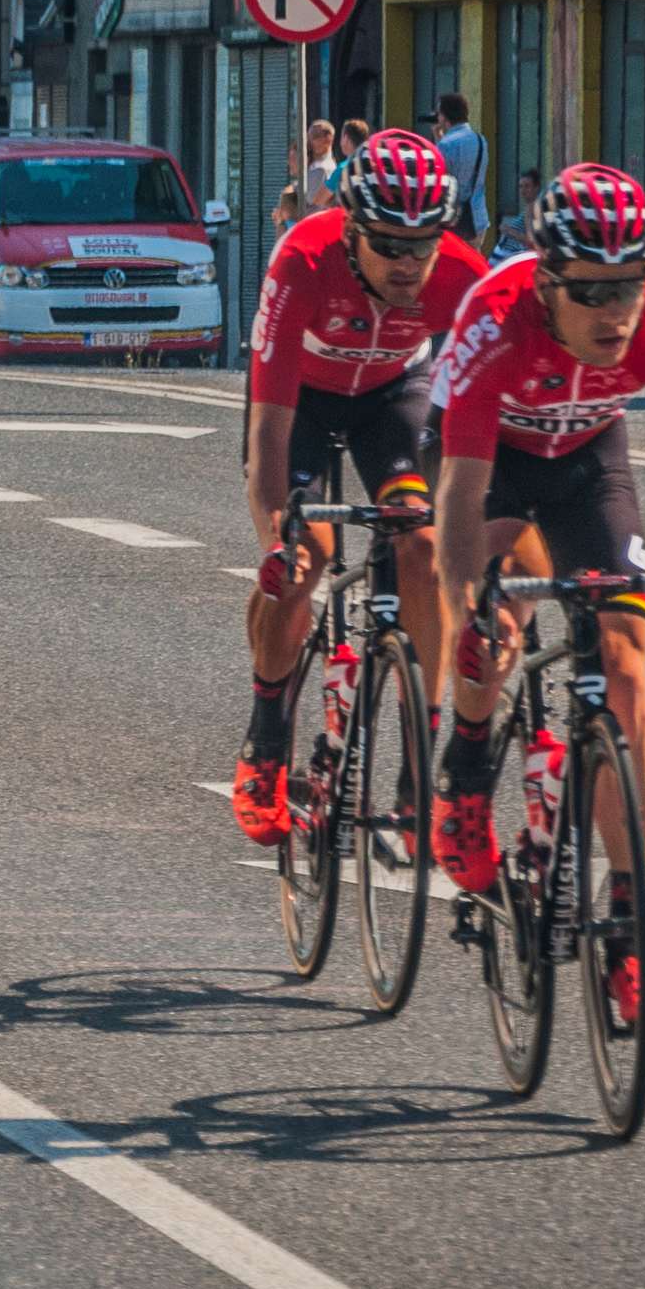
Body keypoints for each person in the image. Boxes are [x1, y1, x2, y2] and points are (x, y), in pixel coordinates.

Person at [427, 163, 645, 1028]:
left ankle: (634, 934)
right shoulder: (493, 323)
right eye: (593, 292)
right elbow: (458, 499)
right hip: (490, 463)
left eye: (631, 286)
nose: (616, 313)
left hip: (589, 460)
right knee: (498, 618)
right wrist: (467, 614)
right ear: (546, 281)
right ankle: (464, 760)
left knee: (626, 665)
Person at [230, 130, 484, 843]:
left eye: (423, 243)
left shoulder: (460, 276)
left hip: (393, 394)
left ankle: (414, 769)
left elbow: (477, 423)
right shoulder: (303, 262)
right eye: (388, 244)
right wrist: (273, 538)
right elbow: (269, 436)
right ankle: (267, 742)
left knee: (421, 550)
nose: (409, 263)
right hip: (302, 402)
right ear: (350, 228)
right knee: (299, 562)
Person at [434, 94, 490, 244]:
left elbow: (441, 178)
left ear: (445, 117)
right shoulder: (480, 140)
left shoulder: (446, 145)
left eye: (439, 114)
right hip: (477, 217)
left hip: (454, 221)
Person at [490, 169, 540, 261]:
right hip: (505, 257)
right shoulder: (531, 207)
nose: (523, 190)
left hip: (506, 259)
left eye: (527, 186)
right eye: (520, 186)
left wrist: (508, 230)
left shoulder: (532, 208)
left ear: (536, 187)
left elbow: (531, 242)